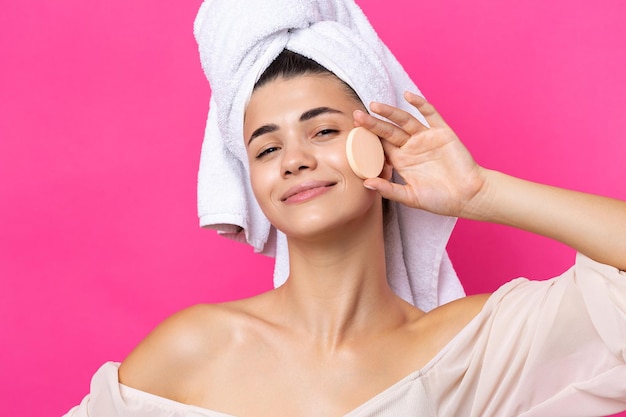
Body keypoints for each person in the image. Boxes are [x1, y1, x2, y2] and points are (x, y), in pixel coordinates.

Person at [64, 1, 626, 416]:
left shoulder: (475, 349)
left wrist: (482, 193)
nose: (294, 160)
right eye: (266, 147)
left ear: (380, 147)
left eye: (324, 130)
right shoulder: (195, 349)